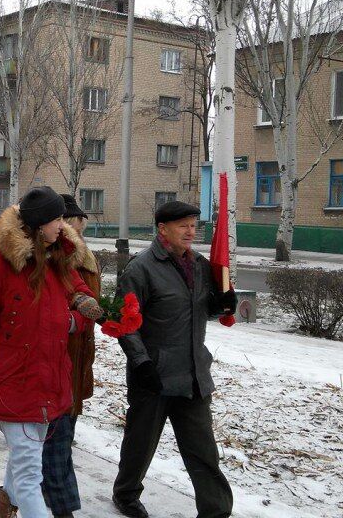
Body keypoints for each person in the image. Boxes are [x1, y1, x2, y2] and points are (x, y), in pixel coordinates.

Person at [0, 187, 102, 518]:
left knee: (24, 461)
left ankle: (3, 512)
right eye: (57, 219)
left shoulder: (59, 257)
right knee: (32, 476)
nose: (63, 225)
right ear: (37, 224)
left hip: (53, 382)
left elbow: (82, 294)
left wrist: (74, 319)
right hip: (15, 384)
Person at [111, 201, 237, 518]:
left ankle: (216, 511)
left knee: (203, 451)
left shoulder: (198, 265)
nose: (191, 231)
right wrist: (141, 363)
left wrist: (221, 304)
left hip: (192, 374)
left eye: (194, 225)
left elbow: (198, 311)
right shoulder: (141, 269)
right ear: (162, 229)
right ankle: (126, 494)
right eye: (183, 225)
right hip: (153, 376)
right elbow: (124, 323)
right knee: (140, 443)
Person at [40, 194, 100, 518]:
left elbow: (87, 296)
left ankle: (40, 489)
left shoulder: (81, 254)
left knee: (62, 432)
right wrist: (73, 320)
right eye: (74, 219)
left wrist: (110, 315)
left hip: (79, 353)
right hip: (59, 355)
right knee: (58, 436)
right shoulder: (63, 255)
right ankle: (61, 502)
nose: (79, 224)